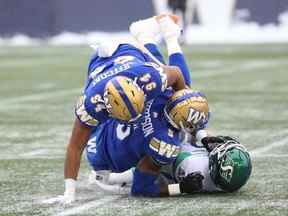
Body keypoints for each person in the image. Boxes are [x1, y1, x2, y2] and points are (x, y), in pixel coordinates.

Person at [52, 14, 198, 204]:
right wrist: (69, 192)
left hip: (130, 53)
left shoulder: (149, 78)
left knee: (181, 90)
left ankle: (149, 36)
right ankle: (155, 35)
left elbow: (176, 75)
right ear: (108, 109)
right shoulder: (92, 103)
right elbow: (75, 145)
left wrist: (186, 107)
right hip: (100, 65)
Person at [90, 135, 252, 195]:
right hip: (181, 152)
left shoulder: (193, 167)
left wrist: (180, 188)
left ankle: (111, 178)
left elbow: (159, 161)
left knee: (161, 153)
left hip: (162, 165)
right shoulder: (228, 182)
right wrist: (204, 136)